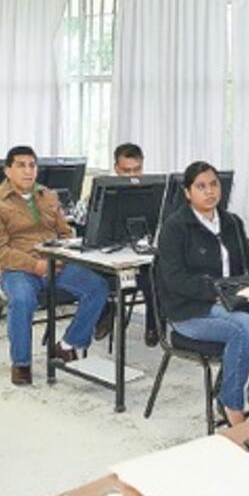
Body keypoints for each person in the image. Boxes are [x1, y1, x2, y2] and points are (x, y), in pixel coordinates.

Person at [156, 161, 249, 426]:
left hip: (232, 303)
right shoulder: (175, 227)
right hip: (190, 310)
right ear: (187, 193)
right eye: (201, 186)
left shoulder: (231, 222)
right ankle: (230, 402)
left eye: (214, 184)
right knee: (244, 327)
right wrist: (214, 292)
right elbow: (174, 280)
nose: (209, 191)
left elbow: (245, 268)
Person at [0, 145, 111, 386]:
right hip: (18, 268)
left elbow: (65, 232)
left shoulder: (48, 195)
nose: (28, 171)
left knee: (98, 286)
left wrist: (62, 253)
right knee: (22, 300)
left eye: (32, 165)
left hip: (55, 262)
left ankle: (68, 345)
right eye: (21, 165)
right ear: (7, 171)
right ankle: (21, 363)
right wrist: (35, 265)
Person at [111, 142, 162, 346]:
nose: (133, 176)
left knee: (155, 275)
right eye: (127, 171)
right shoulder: (104, 193)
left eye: (137, 169)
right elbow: (85, 226)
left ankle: (154, 326)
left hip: (140, 258)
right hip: (110, 263)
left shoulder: (152, 193)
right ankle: (105, 311)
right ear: (116, 169)